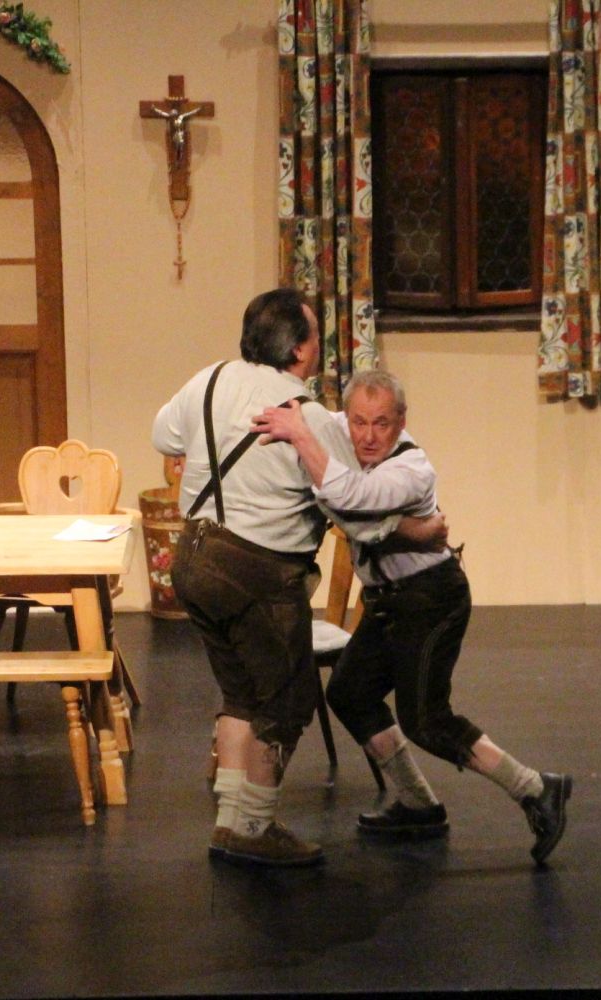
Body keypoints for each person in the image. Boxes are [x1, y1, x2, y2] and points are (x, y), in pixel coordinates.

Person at [153, 289, 438, 868]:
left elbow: (165, 438)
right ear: (303, 349)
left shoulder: (208, 379)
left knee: (240, 694)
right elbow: (350, 509)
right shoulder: (305, 417)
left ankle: (231, 821)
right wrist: (418, 529)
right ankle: (255, 826)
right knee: (285, 700)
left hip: (194, 558)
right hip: (257, 571)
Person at [252, 369, 574, 865]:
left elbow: (349, 500)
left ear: (401, 421)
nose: (367, 436)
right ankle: (418, 803)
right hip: (388, 601)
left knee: (425, 719)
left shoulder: (412, 469)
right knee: (349, 693)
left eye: (381, 423)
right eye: (359, 422)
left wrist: (301, 438)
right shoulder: (341, 434)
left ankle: (536, 788)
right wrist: (292, 414)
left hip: (432, 597)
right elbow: (325, 442)